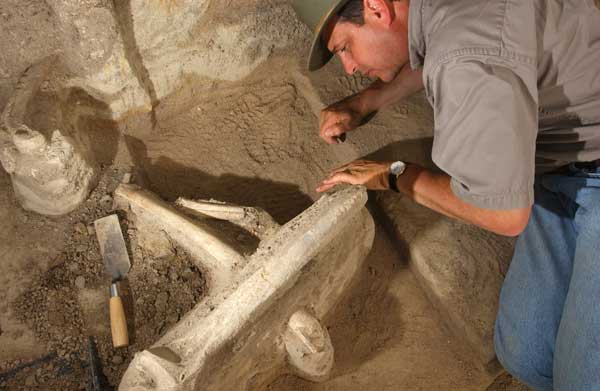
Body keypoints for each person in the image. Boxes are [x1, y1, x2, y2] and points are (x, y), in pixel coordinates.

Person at [291, 0, 600, 390]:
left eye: (344, 48)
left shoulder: (465, 61)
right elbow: (442, 47)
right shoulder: (438, 15)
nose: (349, 67)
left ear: (376, 8)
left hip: (587, 165)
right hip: (562, 167)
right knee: (525, 356)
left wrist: (395, 175)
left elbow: (506, 214)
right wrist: (364, 102)